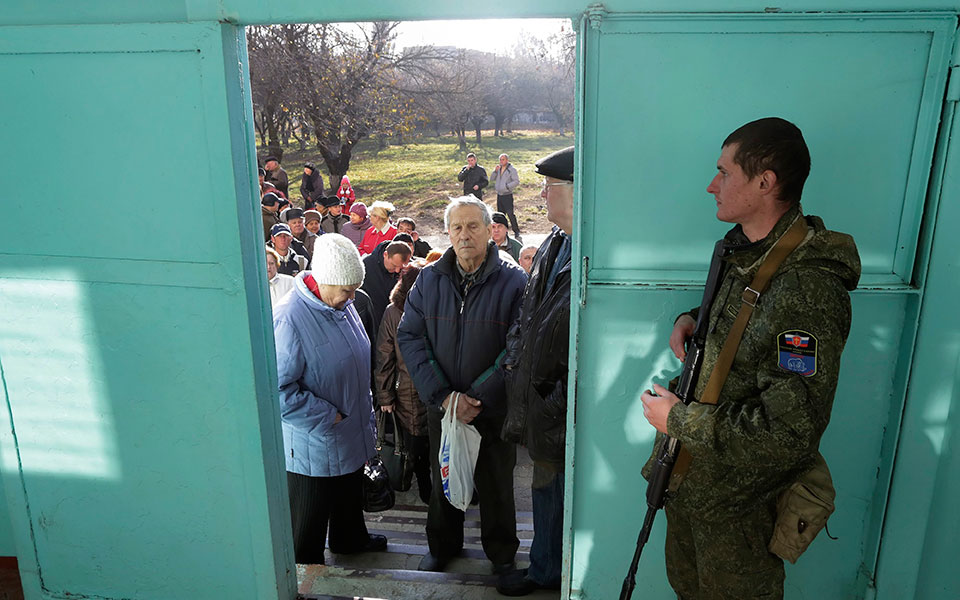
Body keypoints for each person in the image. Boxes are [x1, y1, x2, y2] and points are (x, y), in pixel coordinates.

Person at [639, 117, 860, 599]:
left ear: (765, 182)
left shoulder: (806, 289)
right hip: (697, 495)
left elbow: (789, 434)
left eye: (724, 172)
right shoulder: (753, 254)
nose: (711, 185)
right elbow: (753, 320)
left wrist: (680, 421)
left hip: (737, 519)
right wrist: (695, 317)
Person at [397, 195, 527, 579]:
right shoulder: (430, 279)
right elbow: (411, 337)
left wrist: (477, 397)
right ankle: (443, 546)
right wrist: (446, 397)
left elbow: (517, 347)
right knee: (444, 479)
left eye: (473, 226)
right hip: (444, 406)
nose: (465, 234)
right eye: (457, 227)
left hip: (493, 408)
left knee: (497, 484)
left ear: (491, 231)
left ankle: (502, 557)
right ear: (448, 233)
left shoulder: (514, 280)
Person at [273, 233, 387, 564]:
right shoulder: (289, 318)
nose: (353, 296)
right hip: (314, 439)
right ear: (324, 280)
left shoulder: (342, 302)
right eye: (347, 290)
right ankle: (305, 576)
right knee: (308, 521)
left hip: (347, 429)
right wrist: (327, 415)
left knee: (347, 495)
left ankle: (349, 540)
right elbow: (276, 389)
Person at [498, 146, 575, 596]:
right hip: (540, 397)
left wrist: (554, 397)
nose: (542, 195)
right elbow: (528, 316)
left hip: (556, 401)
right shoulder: (554, 242)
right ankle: (544, 567)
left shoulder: (591, 247)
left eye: (550, 188)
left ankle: (550, 572)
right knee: (545, 488)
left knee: (557, 491)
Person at [374, 265, 432, 504]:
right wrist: (385, 396)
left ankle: (430, 481)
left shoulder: (434, 307)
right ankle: (423, 481)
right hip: (407, 387)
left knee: (429, 438)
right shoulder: (393, 312)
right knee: (415, 439)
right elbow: (384, 355)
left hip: (423, 386)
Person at [361, 240, 412, 331]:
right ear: (385, 255)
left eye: (401, 267)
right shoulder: (366, 267)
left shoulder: (409, 268)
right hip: (374, 323)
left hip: (397, 323)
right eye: (394, 265)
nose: (397, 271)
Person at [491, 153, 521, 237]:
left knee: (510, 214)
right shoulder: (498, 169)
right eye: (500, 159)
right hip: (499, 195)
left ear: (507, 160)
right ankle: (503, 232)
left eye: (503, 159)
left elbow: (516, 181)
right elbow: (492, 179)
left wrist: (507, 187)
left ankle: (516, 231)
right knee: (501, 214)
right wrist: (495, 171)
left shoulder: (511, 170)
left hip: (507, 195)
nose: (501, 161)